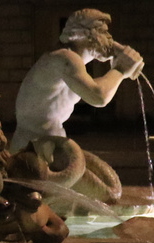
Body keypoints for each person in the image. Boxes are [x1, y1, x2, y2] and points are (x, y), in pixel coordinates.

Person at [8, 9, 145, 152]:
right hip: (33, 146)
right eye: (103, 32)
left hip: (48, 140)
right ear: (86, 34)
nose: (110, 38)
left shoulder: (72, 65)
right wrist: (120, 69)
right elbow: (98, 96)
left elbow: (95, 87)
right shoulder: (64, 58)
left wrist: (118, 68)